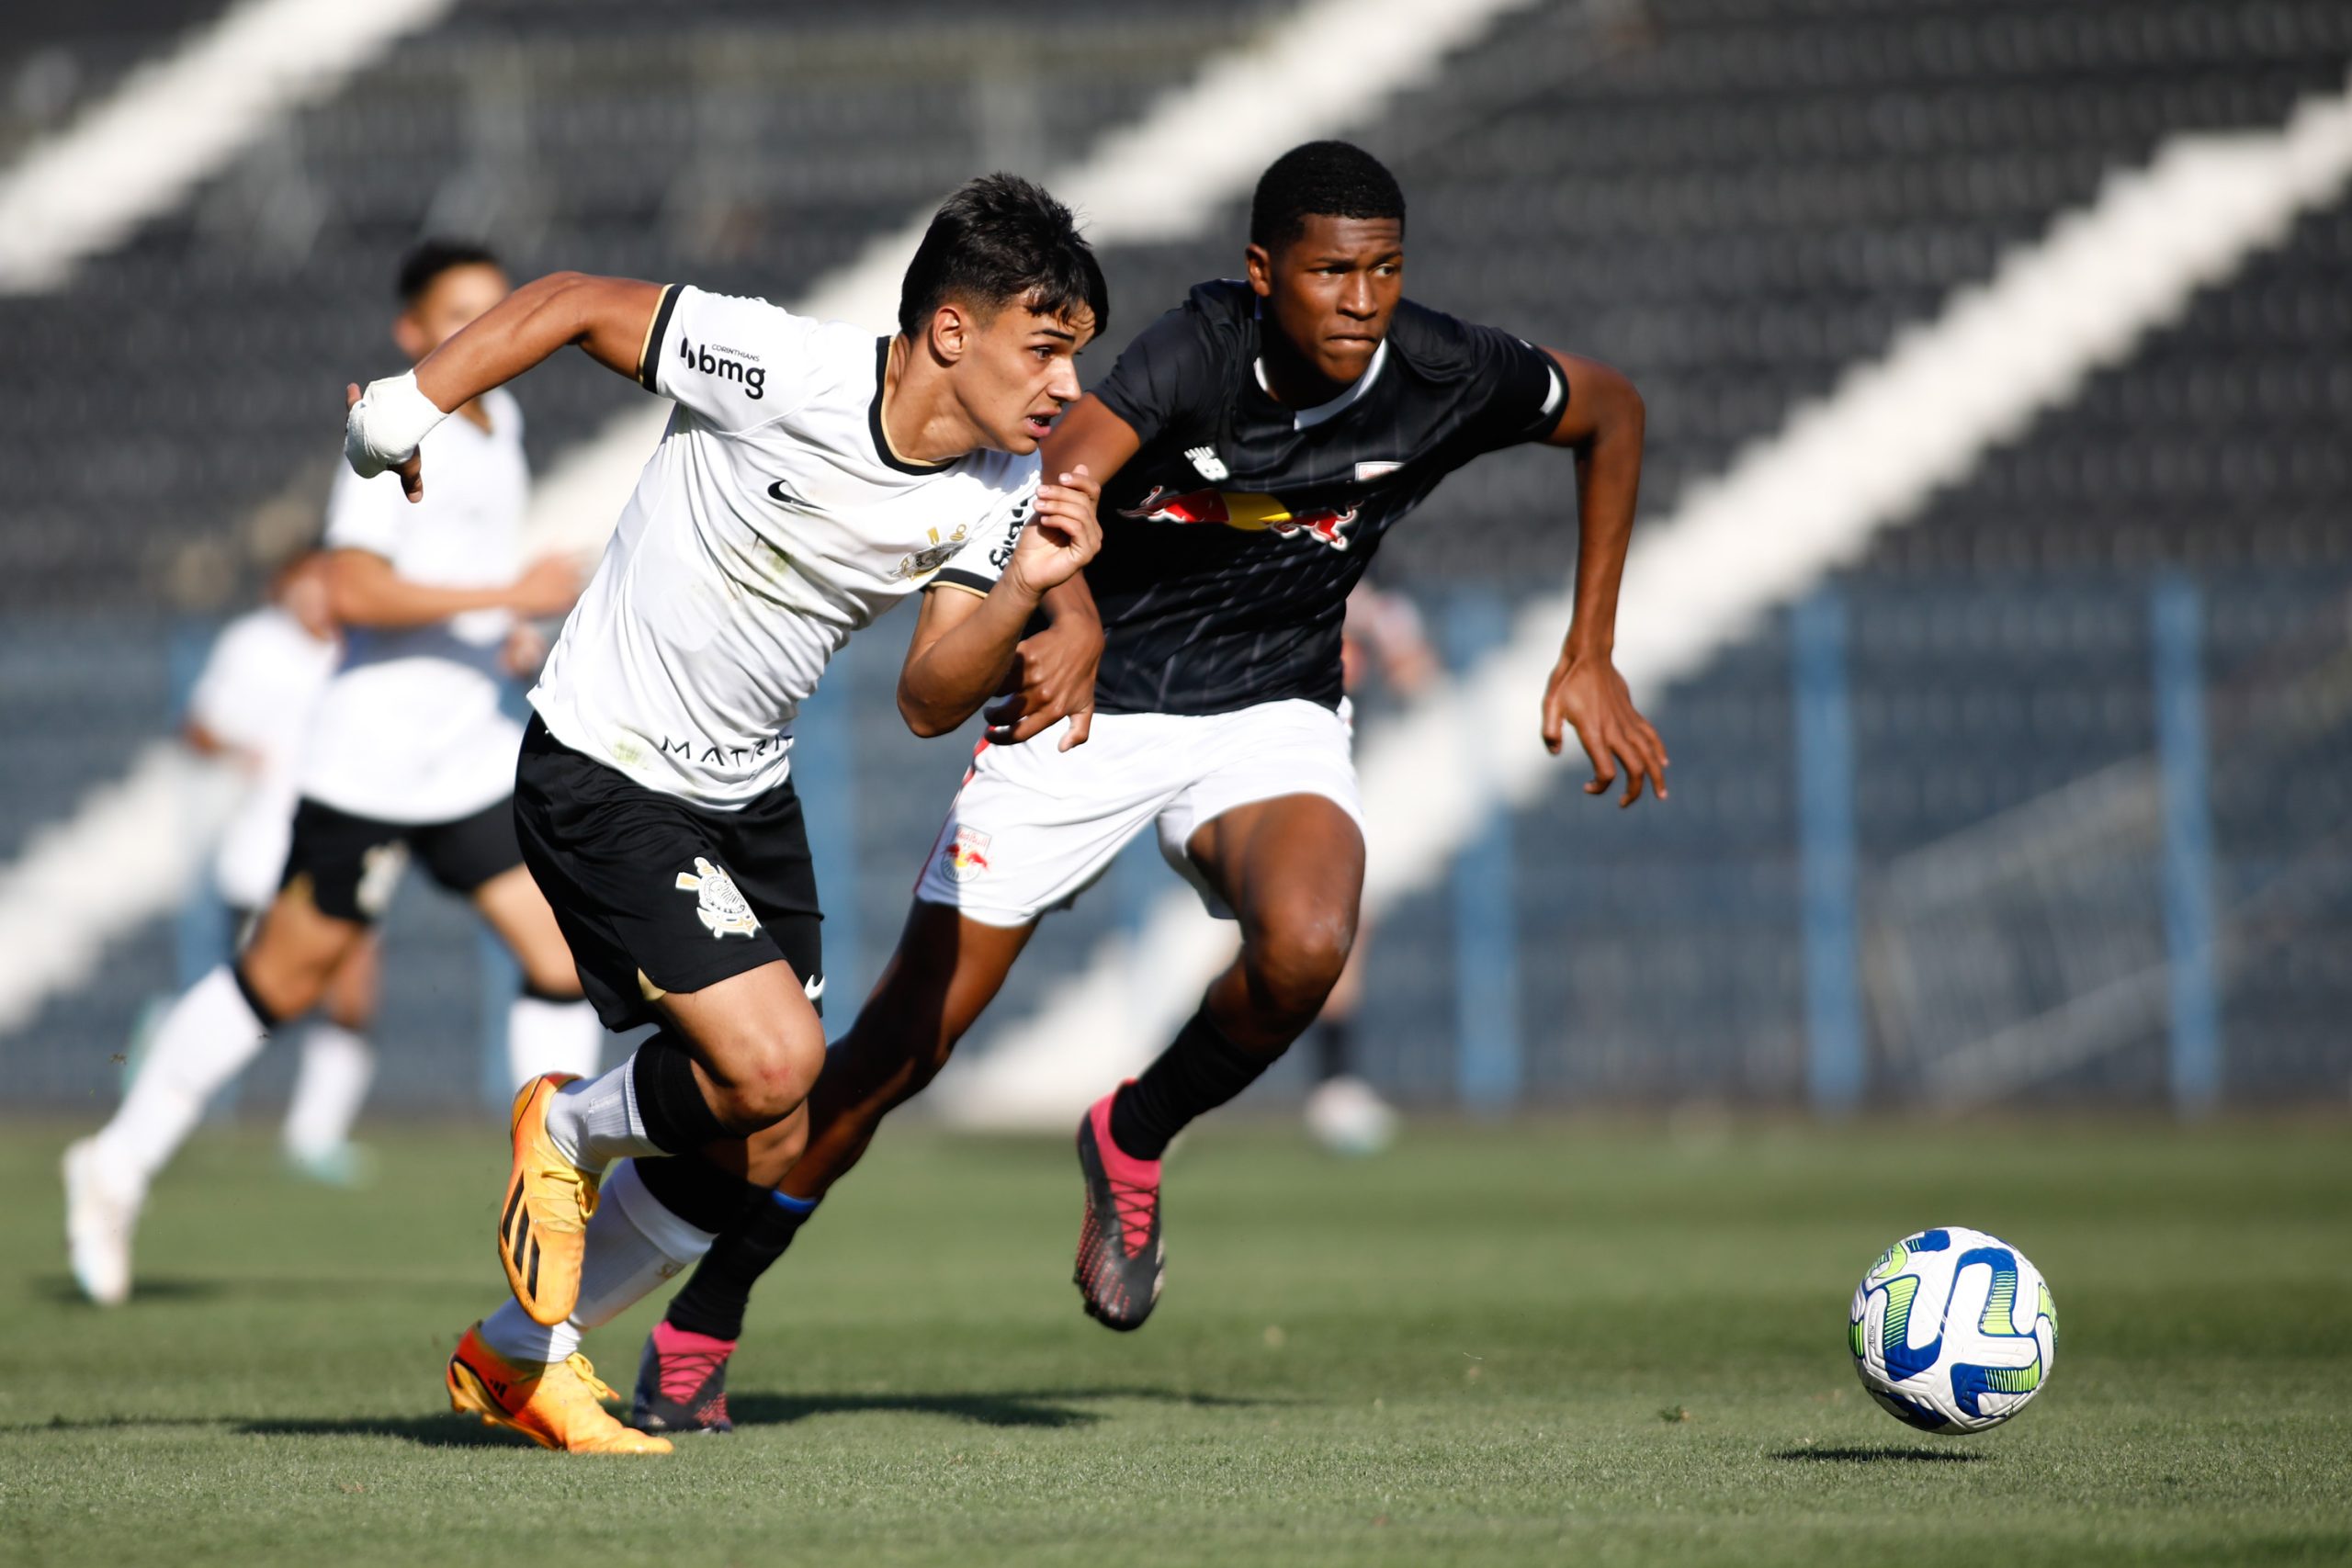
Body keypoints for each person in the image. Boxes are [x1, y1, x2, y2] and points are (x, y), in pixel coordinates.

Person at [627, 140, 1667, 1434]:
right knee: (899, 1050)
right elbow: (1065, 474)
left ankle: (1133, 1126)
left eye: (1386, 270)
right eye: (1333, 270)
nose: (1362, 299)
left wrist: (1590, 651)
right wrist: (1068, 614)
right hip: (1080, 708)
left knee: (1308, 941)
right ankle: (705, 1315)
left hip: (1269, 708)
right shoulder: (1194, 352)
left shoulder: (1448, 371)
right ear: (1263, 271)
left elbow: (1610, 412)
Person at [342, 175, 1107, 1454]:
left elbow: (929, 697)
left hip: (743, 794)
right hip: (605, 762)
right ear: (953, 331)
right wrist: (403, 410)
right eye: (1046, 349)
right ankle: (571, 1124)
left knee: (772, 1136)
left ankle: (521, 1350)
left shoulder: (1001, 486)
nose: (1065, 388)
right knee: (776, 1064)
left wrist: (1027, 585)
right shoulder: (782, 365)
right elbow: (578, 302)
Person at [62, 240, 601, 1308]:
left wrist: (497, 632)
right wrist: (504, 591)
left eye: (500, 313)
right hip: (368, 765)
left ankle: (554, 1199)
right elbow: (348, 591)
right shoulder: (403, 423)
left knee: (559, 951)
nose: (485, 333)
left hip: (464, 761)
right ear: (412, 335)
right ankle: (114, 1161)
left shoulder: (508, 425)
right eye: (459, 314)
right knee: (281, 981)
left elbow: (443, 585)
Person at [178, 547, 383, 1185]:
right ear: (285, 587)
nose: (318, 597)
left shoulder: (360, 645)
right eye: (308, 583)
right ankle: (172, 1050)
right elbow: (199, 728)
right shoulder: (253, 645)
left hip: (343, 845)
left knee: (351, 991)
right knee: (268, 998)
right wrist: (243, 749)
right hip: (264, 849)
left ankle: (313, 1135)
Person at [1301, 580, 1438, 1156]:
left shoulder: (1376, 599)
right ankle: (1335, 1088)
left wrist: (1378, 628)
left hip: (1326, 774)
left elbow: (1418, 677)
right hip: (1274, 770)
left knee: (1343, 925)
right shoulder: (1295, 571)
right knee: (1322, 928)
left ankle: (1336, 1086)